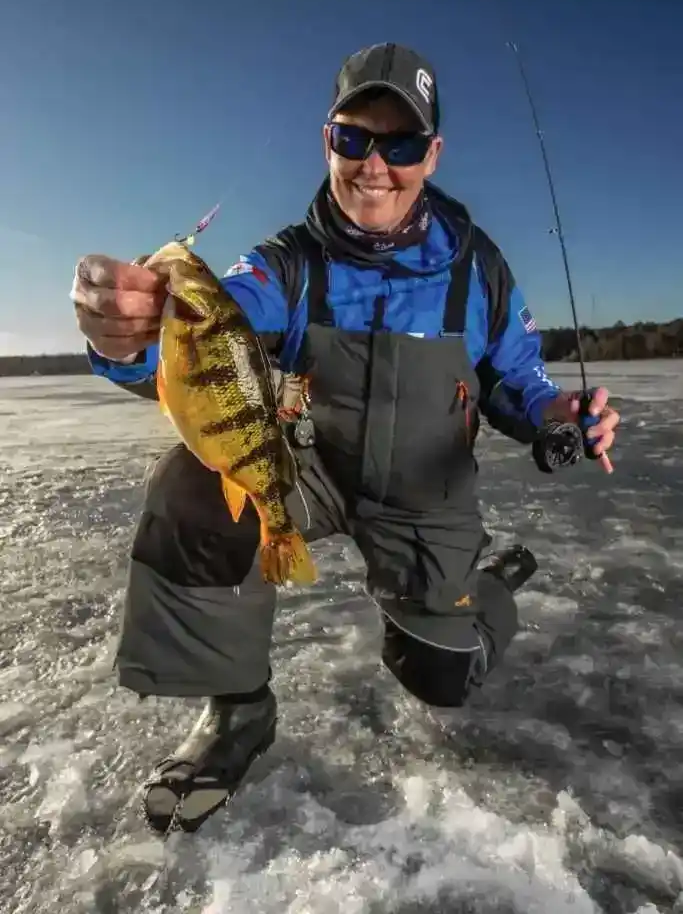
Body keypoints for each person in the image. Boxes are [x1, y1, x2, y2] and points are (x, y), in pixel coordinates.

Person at [71, 43, 620, 834]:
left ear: (430, 155)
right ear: (327, 140)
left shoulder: (478, 269)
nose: (374, 166)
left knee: (441, 676)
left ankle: (491, 577)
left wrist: (554, 418)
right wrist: (127, 337)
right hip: (315, 470)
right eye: (354, 138)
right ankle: (238, 710)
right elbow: (205, 337)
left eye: (398, 145)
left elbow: (517, 382)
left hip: (424, 495)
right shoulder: (288, 263)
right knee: (195, 484)